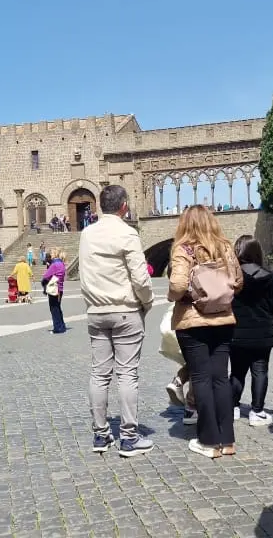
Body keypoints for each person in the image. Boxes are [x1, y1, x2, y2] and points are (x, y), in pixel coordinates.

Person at [79, 185, 156, 457]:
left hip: (97, 313)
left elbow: (85, 274)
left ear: (101, 206)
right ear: (124, 205)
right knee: (127, 374)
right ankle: (129, 437)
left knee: (99, 374)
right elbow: (140, 277)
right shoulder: (127, 233)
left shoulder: (86, 234)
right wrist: (147, 302)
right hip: (125, 311)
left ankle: (100, 435)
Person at [167, 205, 243, 459]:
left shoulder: (184, 249)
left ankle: (209, 441)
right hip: (223, 319)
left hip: (193, 320)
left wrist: (174, 295)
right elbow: (239, 282)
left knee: (200, 378)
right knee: (220, 378)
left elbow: (178, 284)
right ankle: (227, 440)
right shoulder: (225, 247)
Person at [229, 235, 273, 427]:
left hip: (237, 332)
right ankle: (257, 411)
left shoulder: (232, 278)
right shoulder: (269, 277)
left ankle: (232, 407)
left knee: (236, 372)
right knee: (260, 370)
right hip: (263, 331)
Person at [42, 248, 67, 334]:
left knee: (54, 309)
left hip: (54, 289)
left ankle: (57, 328)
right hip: (60, 288)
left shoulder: (54, 264)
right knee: (58, 308)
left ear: (55, 254)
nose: (50, 255)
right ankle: (62, 325)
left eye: (51, 253)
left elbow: (46, 276)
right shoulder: (61, 263)